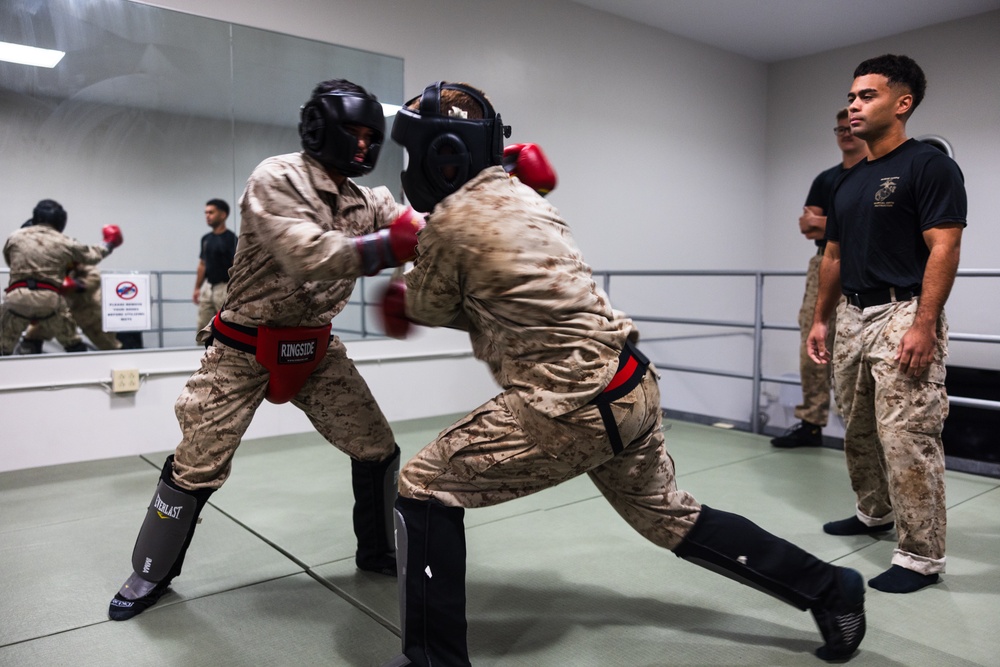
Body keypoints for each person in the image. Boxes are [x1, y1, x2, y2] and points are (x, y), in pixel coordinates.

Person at [378, 81, 866, 666]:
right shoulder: (524, 195)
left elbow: (429, 307)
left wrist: (403, 259)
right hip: (629, 382)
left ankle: (434, 661)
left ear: (441, 155)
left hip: (568, 402)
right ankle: (831, 589)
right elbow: (495, 296)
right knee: (671, 517)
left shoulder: (454, 222)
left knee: (426, 484)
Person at [108, 78, 424, 621]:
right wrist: (386, 249)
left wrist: (484, 189)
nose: (365, 147)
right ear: (319, 127)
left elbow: (417, 231)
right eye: (355, 133)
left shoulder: (368, 199)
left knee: (376, 446)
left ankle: (376, 552)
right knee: (197, 464)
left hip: (317, 350)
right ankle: (149, 570)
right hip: (241, 350)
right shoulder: (274, 177)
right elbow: (309, 253)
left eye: (375, 137)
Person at [807, 54, 966, 594]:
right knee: (857, 427)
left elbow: (944, 246)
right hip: (852, 311)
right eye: (852, 96)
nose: (853, 105)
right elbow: (832, 255)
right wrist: (821, 319)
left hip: (904, 311)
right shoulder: (847, 182)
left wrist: (925, 324)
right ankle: (874, 512)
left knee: (907, 436)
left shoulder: (929, 165)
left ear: (903, 104)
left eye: (866, 96)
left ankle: (921, 557)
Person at [772, 109, 868, 448]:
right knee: (812, 340)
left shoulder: (875, 174)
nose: (846, 133)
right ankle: (811, 423)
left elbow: (872, 228)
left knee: (855, 342)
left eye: (851, 128)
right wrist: (847, 224)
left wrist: (829, 223)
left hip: (864, 265)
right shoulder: (826, 179)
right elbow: (806, 226)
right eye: (840, 129)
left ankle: (858, 430)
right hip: (823, 262)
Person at [2, 200, 123, 355]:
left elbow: (10, 261)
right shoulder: (65, 242)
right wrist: (109, 243)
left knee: (3, 344)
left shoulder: (14, 237)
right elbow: (94, 255)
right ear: (60, 221)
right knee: (71, 342)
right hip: (51, 301)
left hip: (20, 298)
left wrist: (77, 285)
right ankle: (78, 359)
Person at [24, 262, 123, 351]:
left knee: (106, 341)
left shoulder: (79, 258)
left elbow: (94, 277)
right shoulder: (47, 262)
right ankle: (27, 358)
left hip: (85, 307)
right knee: (34, 336)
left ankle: (119, 362)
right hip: (58, 308)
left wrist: (76, 284)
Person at [193, 198, 237, 336]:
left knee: (225, 326)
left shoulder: (232, 239)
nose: (207, 216)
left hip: (224, 288)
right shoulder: (206, 239)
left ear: (223, 215)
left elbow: (236, 266)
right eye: (206, 212)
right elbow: (202, 265)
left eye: (211, 212)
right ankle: (202, 355)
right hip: (208, 288)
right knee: (202, 326)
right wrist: (197, 288)